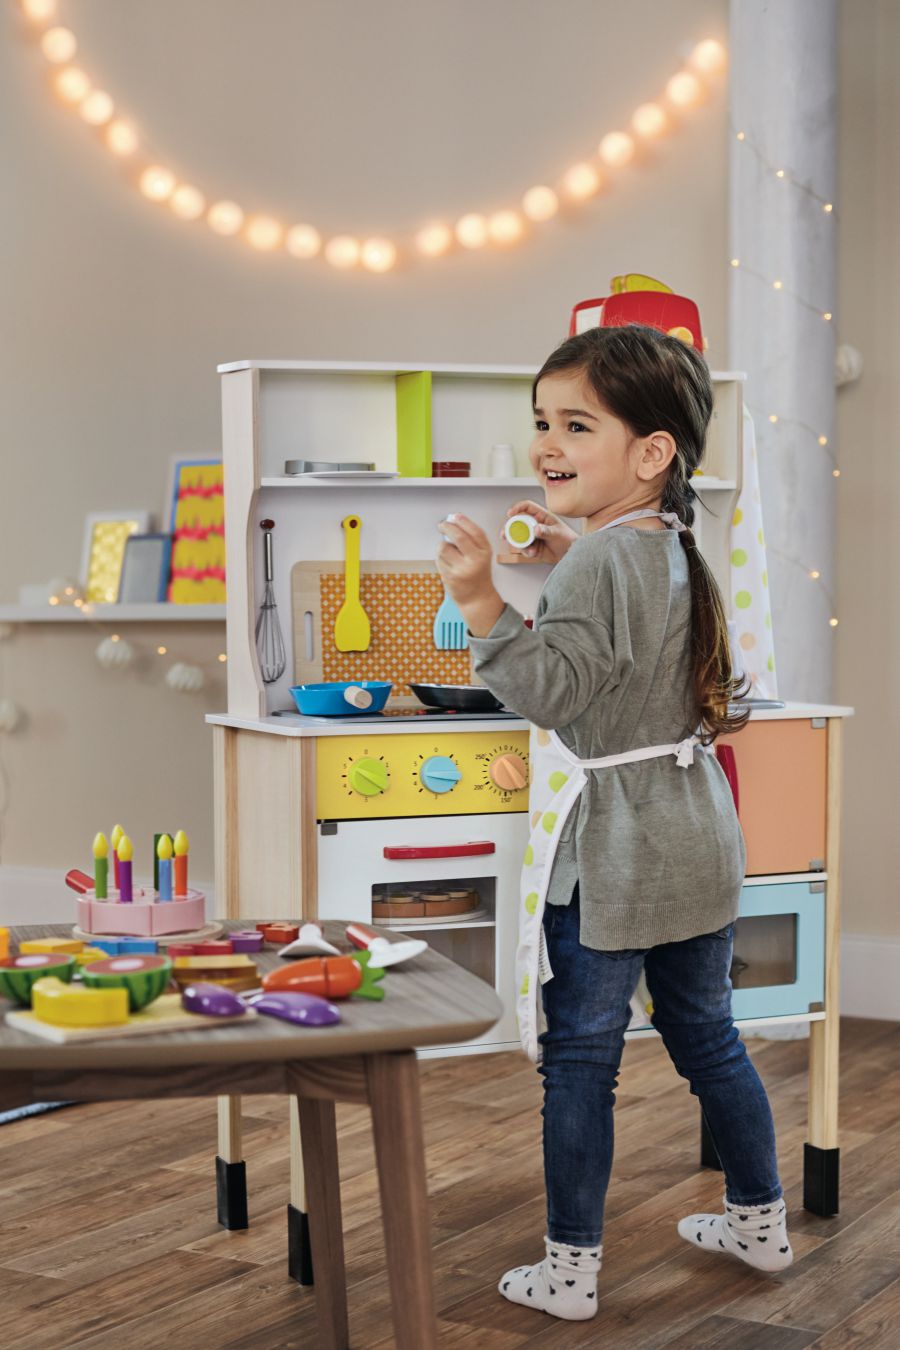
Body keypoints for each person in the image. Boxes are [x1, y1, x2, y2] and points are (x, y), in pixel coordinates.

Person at [436, 324, 792, 1324]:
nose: (548, 443)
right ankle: (759, 1218)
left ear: (650, 452)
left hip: (621, 855)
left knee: (580, 1056)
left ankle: (571, 1267)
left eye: (575, 424)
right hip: (698, 837)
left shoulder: (599, 564)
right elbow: (655, 667)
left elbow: (558, 691)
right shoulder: (679, 546)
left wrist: (482, 602)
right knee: (710, 1038)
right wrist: (563, 562)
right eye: (542, 422)